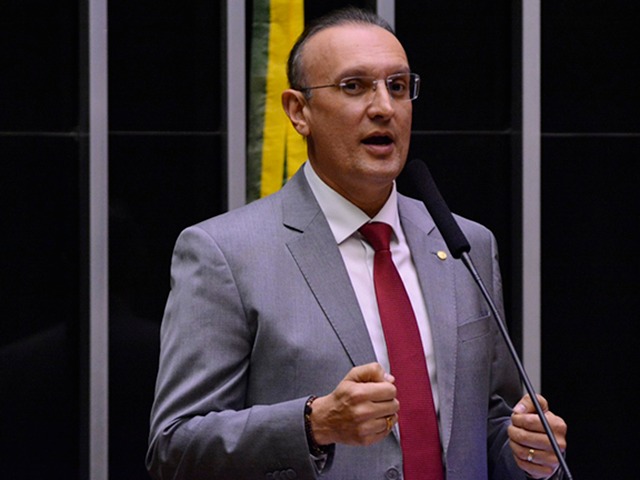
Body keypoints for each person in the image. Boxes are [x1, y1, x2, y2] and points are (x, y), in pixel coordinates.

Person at [146, 7, 567, 480]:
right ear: (298, 111)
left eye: (398, 86)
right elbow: (174, 447)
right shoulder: (225, 253)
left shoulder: (465, 245)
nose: (384, 107)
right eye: (354, 86)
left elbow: (485, 424)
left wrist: (528, 452)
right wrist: (314, 424)